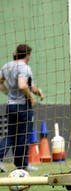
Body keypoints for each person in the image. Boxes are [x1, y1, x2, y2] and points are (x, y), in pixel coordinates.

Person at [0, 44, 44, 172]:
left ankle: (19, 164)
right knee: (24, 135)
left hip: (11, 106)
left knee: (11, 135)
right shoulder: (24, 67)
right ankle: (22, 164)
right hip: (23, 106)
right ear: (28, 55)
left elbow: (1, 81)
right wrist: (31, 97)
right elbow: (22, 85)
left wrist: (37, 91)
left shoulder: (7, 66)